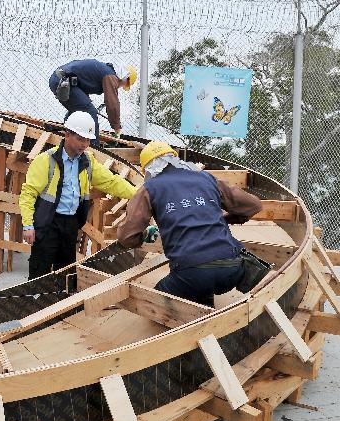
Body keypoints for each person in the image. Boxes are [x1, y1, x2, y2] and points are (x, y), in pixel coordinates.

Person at [117, 141, 263, 307]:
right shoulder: (207, 178)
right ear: (175, 159)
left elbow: (126, 237)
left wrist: (140, 238)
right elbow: (254, 206)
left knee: (154, 304)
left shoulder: (149, 188)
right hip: (232, 267)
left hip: (191, 274)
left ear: (148, 169)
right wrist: (222, 219)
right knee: (201, 287)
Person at [19, 111, 137, 279]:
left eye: (88, 140)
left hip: (70, 224)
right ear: (67, 135)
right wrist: (28, 226)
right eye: (81, 139)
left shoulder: (87, 161)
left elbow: (111, 182)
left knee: (66, 273)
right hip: (47, 224)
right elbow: (28, 194)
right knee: (40, 272)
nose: (85, 144)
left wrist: (138, 194)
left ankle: (63, 302)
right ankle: (36, 302)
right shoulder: (46, 160)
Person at [48, 59, 137, 146]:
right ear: (126, 77)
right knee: (90, 112)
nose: (122, 86)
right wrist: (116, 127)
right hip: (63, 81)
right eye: (125, 84)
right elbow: (112, 103)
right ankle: (94, 146)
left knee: (80, 109)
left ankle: (67, 131)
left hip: (60, 79)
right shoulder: (110, 76)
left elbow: (82, 89)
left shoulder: (105, 71)